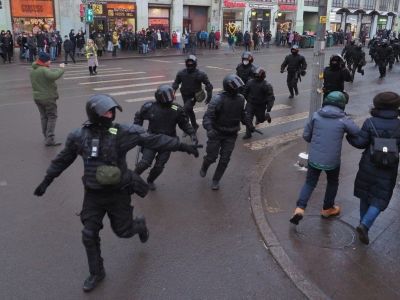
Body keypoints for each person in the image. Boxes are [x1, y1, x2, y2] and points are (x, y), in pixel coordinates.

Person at [33, 94, 201, 292]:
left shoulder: (122, 132)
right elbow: (62, 160)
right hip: (93, 194)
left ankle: (139, 226)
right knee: (88, 234)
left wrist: (183, 146)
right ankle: (97, 272)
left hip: (118, 193)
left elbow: (154, 140)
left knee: (124, 231)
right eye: (106, 111)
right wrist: (46, 180)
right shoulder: (79, 136)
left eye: (112, 111)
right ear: (94, 114)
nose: (110, 114)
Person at [289, 91, 359, 225]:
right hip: (332, 160)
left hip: (314, 158)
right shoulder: (343, 119)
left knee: (310, 183)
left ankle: (299, 209)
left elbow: (306, 136)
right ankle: (328, 208)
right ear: (342, 105)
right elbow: (356, 132)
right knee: (332, 182)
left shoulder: (316, 115)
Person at [347, 92, 400, 245]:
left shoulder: (370, 122)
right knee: (380, 199)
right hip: (388, 169)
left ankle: (363, 224)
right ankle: (365, 225)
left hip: (368, 165)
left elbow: (360, 143)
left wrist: (349, 136)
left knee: (365, 195)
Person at [133, 85, 198, 190]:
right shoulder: (149, 107)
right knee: (144, 163)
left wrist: (192, 133)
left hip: (168, 141)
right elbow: (139, 116)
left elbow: (184, 124)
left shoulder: (176, 109)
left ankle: (150, 180)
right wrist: (137, 129)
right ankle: (133, 178)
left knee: (159, 166)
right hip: (152, 139)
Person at [200, 74, 252, 190]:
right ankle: (205, 165)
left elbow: (242, 114)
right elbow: (207, 117)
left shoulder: (241, 99)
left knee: (224, 159)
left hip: (231, 134)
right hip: (217, 133)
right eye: (235, 87)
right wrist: (210, 129)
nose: (238, 89)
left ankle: (216, 179)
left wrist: (249, 124)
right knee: (211, 157)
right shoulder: (218, 99)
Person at [30, 52, 65, 147]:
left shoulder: (34, 69)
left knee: (43, 116)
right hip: (48, 98)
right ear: (44, 61)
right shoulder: (43, 70)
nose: (50, 61)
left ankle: (46, 136)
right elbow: (54, 76)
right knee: (52, 117)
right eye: (49, 60)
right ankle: (50, 138)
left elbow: (48, 75)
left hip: (37, 97)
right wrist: (61, 69)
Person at [172, 55, 213, 130]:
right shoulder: (181, 73)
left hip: (194, 96)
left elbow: (208, 85)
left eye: (192, 63)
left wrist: (209, 96)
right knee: (189, 110)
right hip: (184, 94)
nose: (190, 65)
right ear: (186, 64)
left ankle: (187, 128)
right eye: (188, 63)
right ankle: (194, 125)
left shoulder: (201, 74)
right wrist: (173, 92)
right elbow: (176, 83)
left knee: (184, 110)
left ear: (195, 64)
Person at [242, 67, 275, 140]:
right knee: (248, 118)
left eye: (258, 76)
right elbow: (245, 92)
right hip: (251, 104)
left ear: (263, 76)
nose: (257, 77)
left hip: (261, 105)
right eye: (256, 75)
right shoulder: (250, 82)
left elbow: (271, 98)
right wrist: (248, 101)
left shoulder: (266, 85)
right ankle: (248, 134)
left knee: (261, 120)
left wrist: (268, 110)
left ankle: (266, 117)